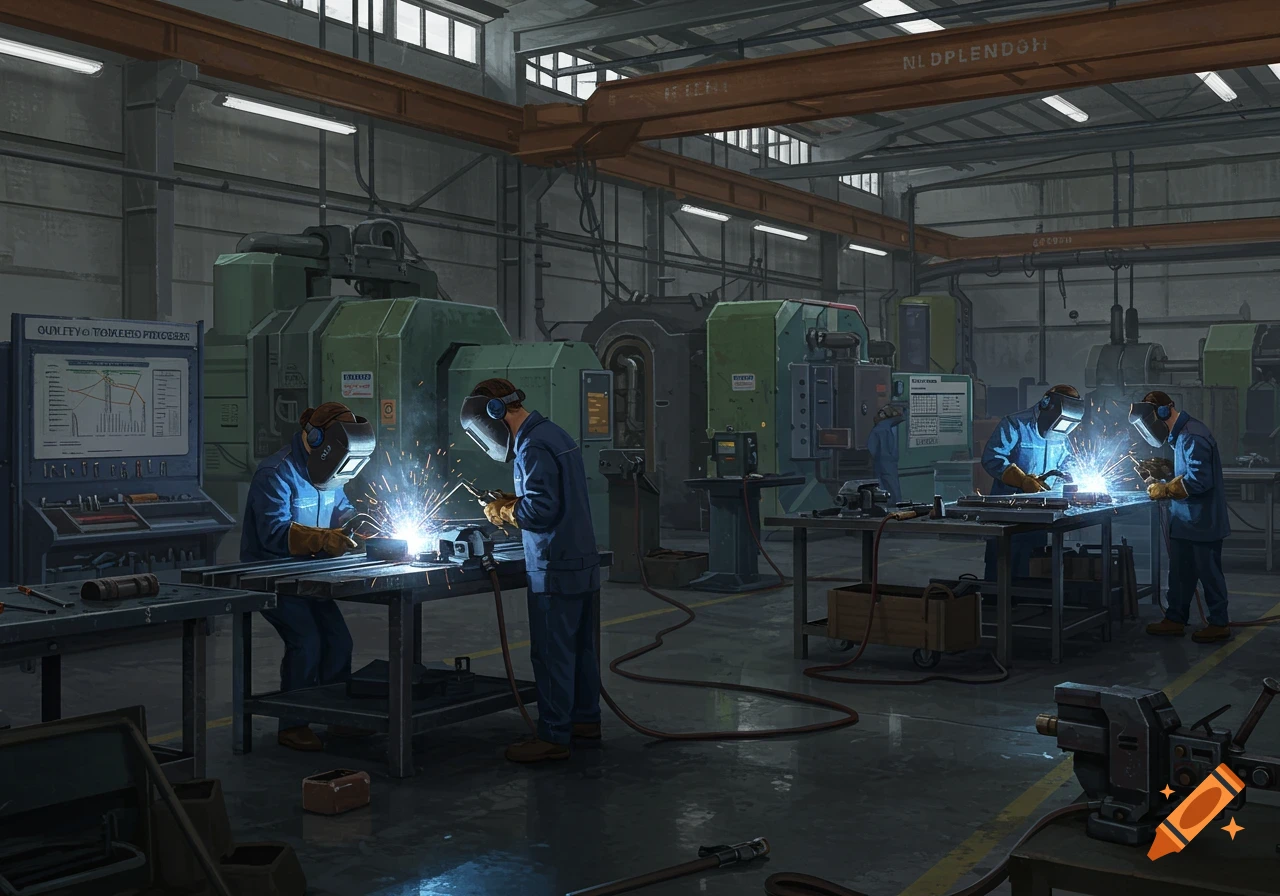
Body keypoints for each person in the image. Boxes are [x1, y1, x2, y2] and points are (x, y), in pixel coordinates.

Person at [460, 377, 602, 764]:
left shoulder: (532, 445)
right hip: (580, 560)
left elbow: (541, 510)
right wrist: (514, 500)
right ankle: (585, 721)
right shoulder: (553, 433)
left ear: (494, 414)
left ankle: (554, 735)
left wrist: (506, 511)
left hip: (554, 565)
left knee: (553, 653)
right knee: (581, 651)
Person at [240, 401, 376, 751]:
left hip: (312, 575)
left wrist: (358, 523)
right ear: (314, 438)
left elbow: (341, 508)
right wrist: (324, 539)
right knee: (307, 643)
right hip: (271, 576)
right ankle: (293, 724)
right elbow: (273, 533)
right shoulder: (276, 473)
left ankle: (337, 716)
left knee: (339, 642)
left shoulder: (330, 468)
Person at [1130, 390, 1231, 642]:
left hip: (1202, 521)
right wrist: (1164, 471)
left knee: (1209, 575)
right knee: (1179, 574)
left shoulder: (1192, 436)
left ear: (1163, 413)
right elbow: (1186, 471)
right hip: (1185, 521)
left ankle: (1219, 623)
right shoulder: (1181, 437)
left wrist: (1164, 489)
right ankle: (1175, 618)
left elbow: (1199, 480)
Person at [980, 384, 1084, 581]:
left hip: (1042, 514)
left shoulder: (1062, 431)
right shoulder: (1015, 424)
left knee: (1032, 565)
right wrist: (1022, 480)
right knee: (1001, 569)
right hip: (1008, 513)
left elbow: (1067, 461)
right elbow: (992, 458)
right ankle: (994, 605)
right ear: (1046, 404)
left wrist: (1074, 477)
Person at [867, 404, 905, 503]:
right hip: (891, 463)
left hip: (880, 462)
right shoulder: (892, 428)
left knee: (881, 486)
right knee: (893, 485)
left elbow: (872, 448)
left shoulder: (878, 429)